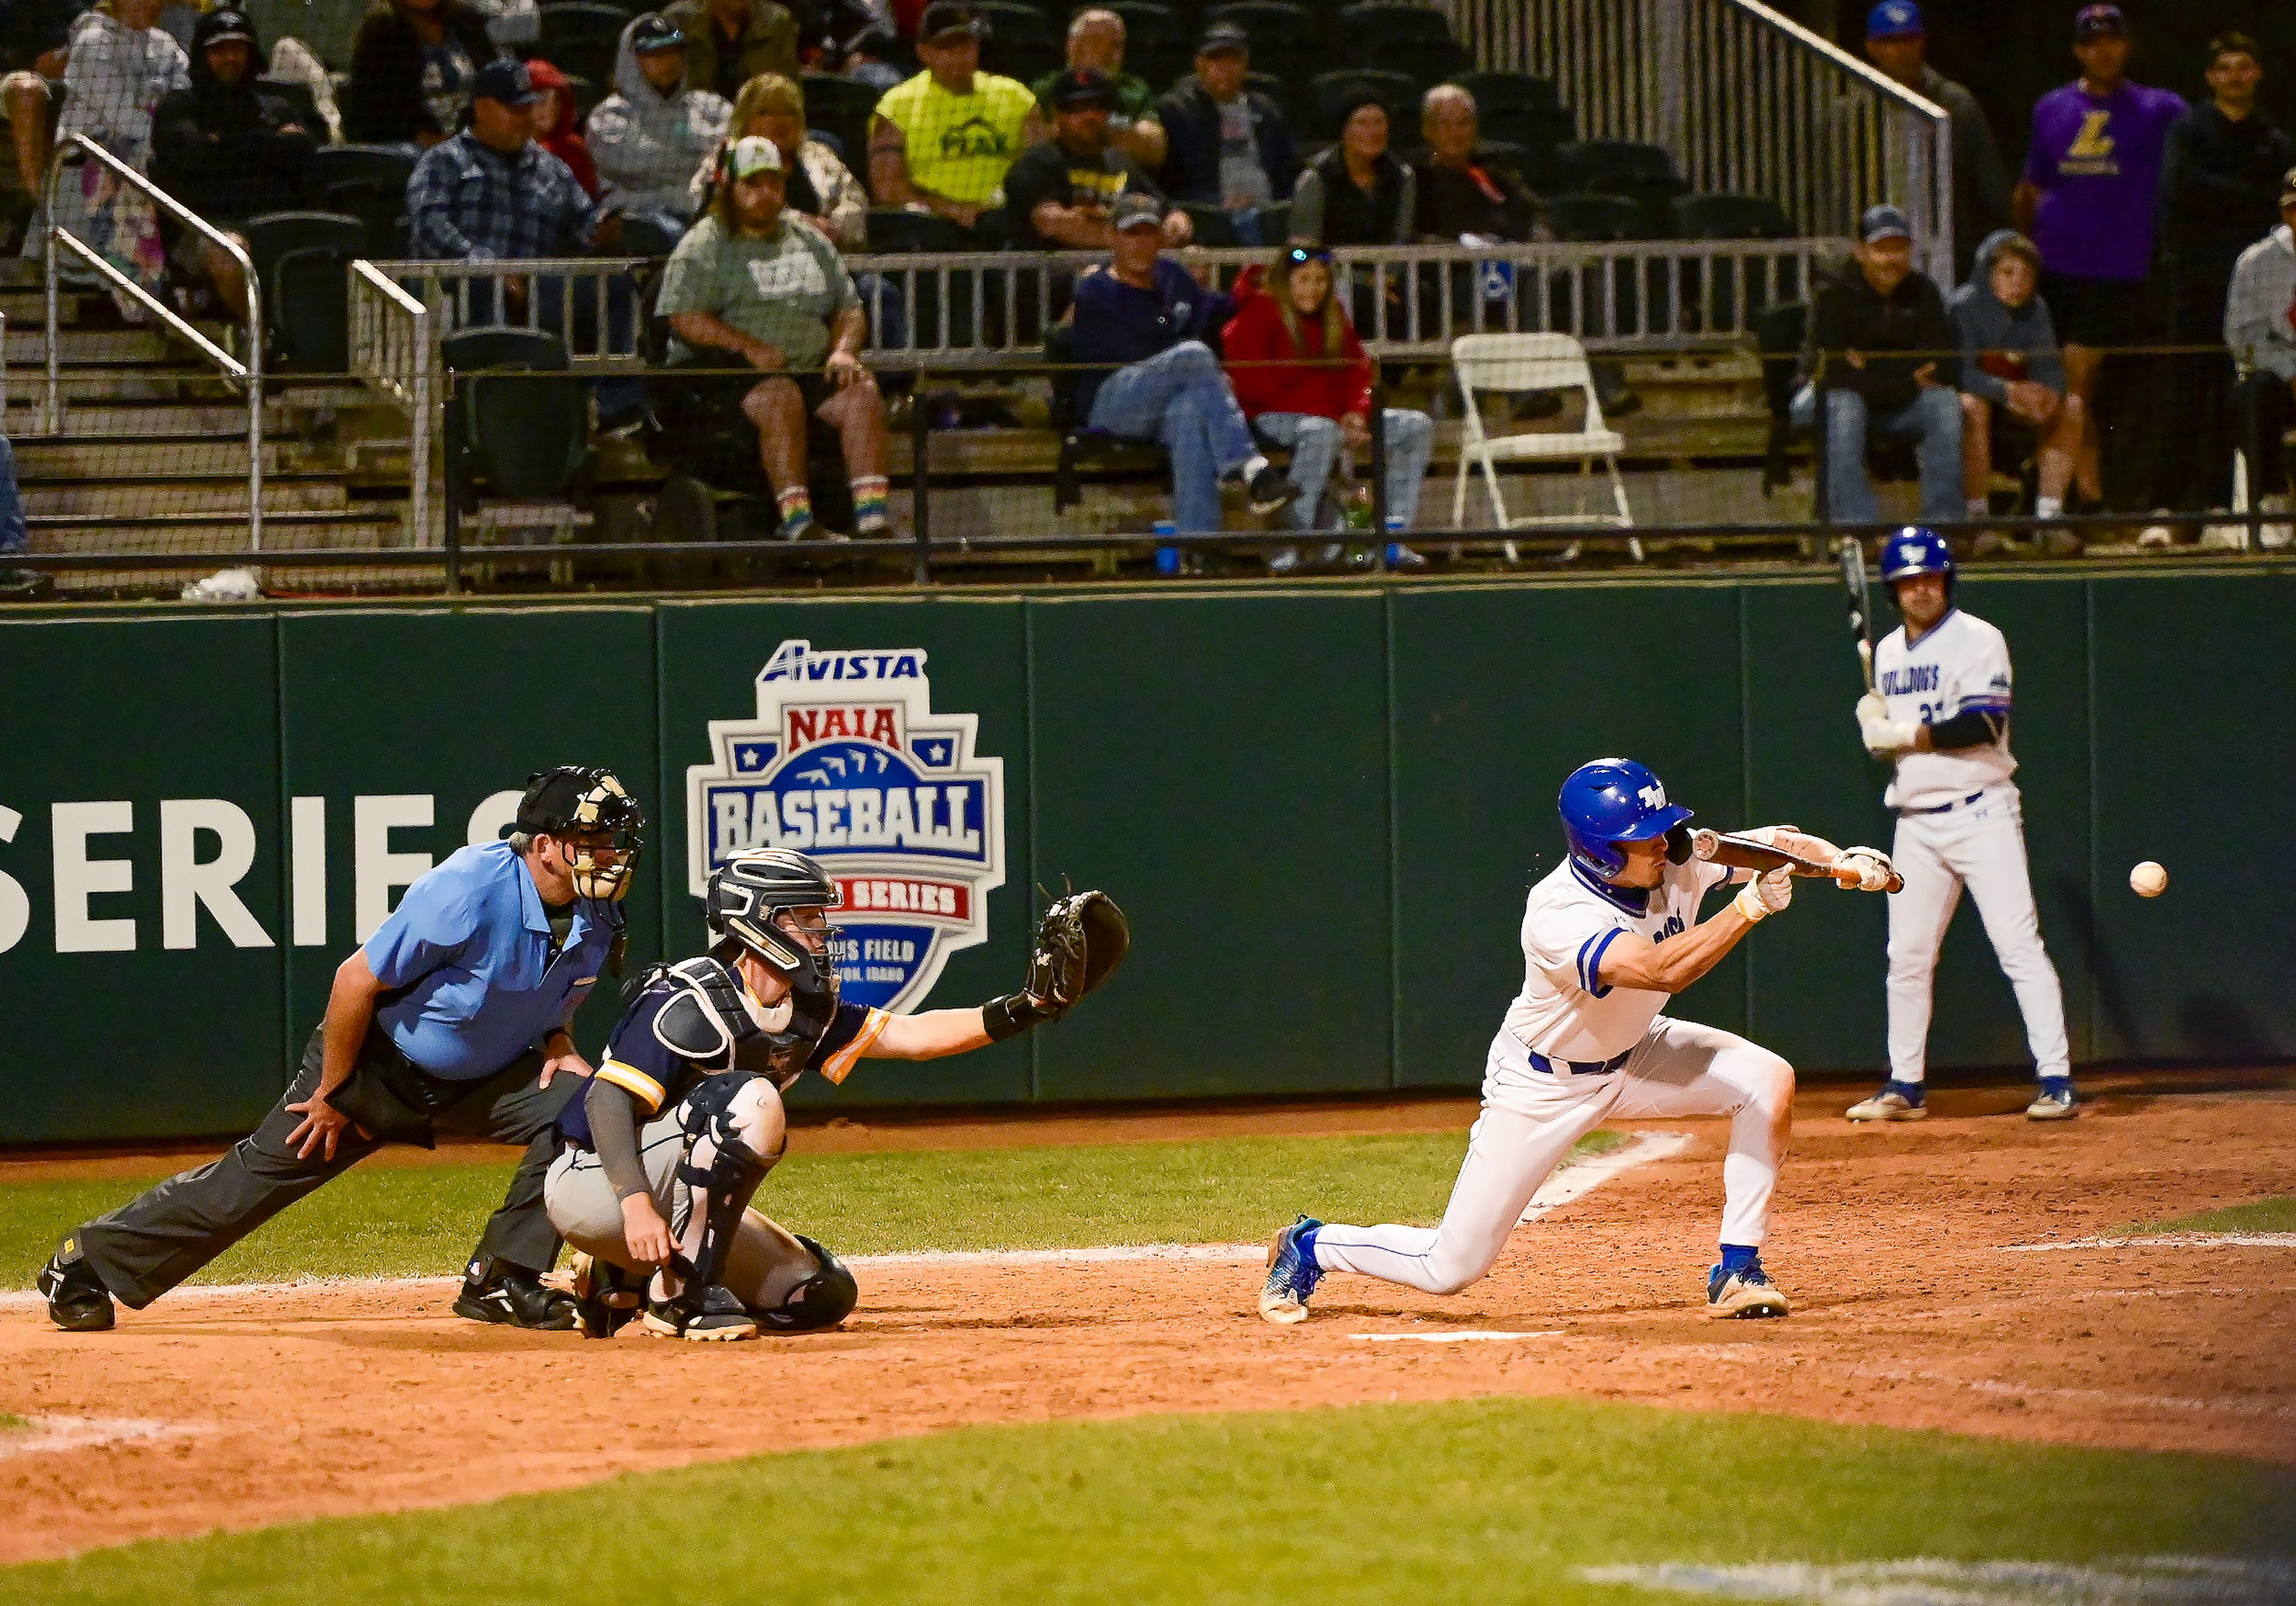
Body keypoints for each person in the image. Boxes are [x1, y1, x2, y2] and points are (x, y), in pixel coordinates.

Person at [1259, 758, 1897, 1326]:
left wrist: (1842, 860)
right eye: (1642, 840)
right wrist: (1747, 909)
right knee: (1450, 1268)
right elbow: (1659, 970)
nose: (1664, 845)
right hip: (1544, 1083)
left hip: (1638, 1053)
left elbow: (1776, 843)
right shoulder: (1559, 912)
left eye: (1664, 829)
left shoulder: (1677, 852)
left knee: (1767, 1079)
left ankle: (1738, 1268)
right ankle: (1310, 1244)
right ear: (1600, 852)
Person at [38, 768, 647, 1335]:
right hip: (377, 1066)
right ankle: (85, 1259)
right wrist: (334, 1092)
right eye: (593, 840)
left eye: (613, 841)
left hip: (488, 1077)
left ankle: (502, 1279)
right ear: (544, 845)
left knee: (592, 1108)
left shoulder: (598, 907)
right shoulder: (467, 888)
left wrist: (560, 1040)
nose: (610, 855)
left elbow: (561, 985)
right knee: (248, 1186)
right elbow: (355, 981)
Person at [547, 851, 1121, 1339]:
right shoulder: (690, 998)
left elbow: (912, 1036)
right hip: (597, 1186)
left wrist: (1027, 1007)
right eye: (804, 918)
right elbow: (605, 1101)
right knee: (750, 1101)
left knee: (820, 1296)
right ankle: (681, 1294)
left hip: (664, 1189)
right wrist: (634, 1205)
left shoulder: (805, 1009)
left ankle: (616, 1280)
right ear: (756, 924)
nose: (820, 931)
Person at [1849, 528, 2075, 1123]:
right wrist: (1876, 719)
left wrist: (1899, 733)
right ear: (1894, 587)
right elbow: (1899, 732)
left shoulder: (1979, 639)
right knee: (1907, 955)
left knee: (2018, 943)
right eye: (1909, 580)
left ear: (1946, 579)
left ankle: (2056, 1077)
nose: (1921, 589)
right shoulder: (1890, 653)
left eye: (1930, 577)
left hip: (1981, 810)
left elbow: (1982, 726)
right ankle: (1905, 1084)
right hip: (1916, 823)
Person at [657, 135, 890, 538]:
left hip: (810, 370)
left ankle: (873, 525)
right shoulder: (706, 242)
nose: (766, 194)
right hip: (727, 379)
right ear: (730, 187)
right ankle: (799, 526)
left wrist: (843, 352)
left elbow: (849, 309)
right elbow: (684, 316)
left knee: (861, 393)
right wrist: (746, 346)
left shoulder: (808, 238)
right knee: (781, 396)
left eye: (774, 184)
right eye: (753, 185)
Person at [2013, 4, 2187, 514]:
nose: (2102, 50)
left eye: (2111, 39)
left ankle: (2135, 497)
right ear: (2077, 50)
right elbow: (2031, 186)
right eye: (2091, 42)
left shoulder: (2163, 109)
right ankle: (2084, 497)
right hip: (2067, 269)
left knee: (2138, 395)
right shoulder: (2050, 107)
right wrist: (2025, 252)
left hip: (2137, 270)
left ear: (2128, 45)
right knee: (2072, 390)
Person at [1070, 191, 1297, 534]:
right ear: (1112, 237)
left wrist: (1254, 288)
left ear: (1161, 237)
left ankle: (1199, 547)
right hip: (1113, 403)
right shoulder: (1095, 291)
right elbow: (1130, 354)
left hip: (1169, 397)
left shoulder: (1173, 276)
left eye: (1150, 232)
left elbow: (1216, 310)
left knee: (1191, 413)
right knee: (1193, 355)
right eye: (1132, 233)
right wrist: (1202, 369)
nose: (1142, 242)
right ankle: (1250, 466)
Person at [1222, 244, 1431, 572]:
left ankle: (1391, 539)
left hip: (1332, 418)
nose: (1313, 288)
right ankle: (1288, 546)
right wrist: (1333, 415)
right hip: (1269, 417)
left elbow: (1358, 369)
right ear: (1286, 280)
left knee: (1415, 426)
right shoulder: (1259, 312)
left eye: (1320, 280)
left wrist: (1358, 413)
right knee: (1320, 431)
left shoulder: (1333, 312)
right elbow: (1253, 386)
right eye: (1304, 279)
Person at [2157, 33, 2291, 518]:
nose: (2235, 76)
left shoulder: (2274, 141)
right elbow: (2180, 191)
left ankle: (2248, 507)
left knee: (2248, 391)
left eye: (2244, 66)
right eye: (2225, 68)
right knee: (2189, 392)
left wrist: (2220, 196)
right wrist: (2246, 196)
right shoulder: (2188, 132)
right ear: (2211, 76)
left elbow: (2274, 208)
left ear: (2258, 73)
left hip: (2259, 288)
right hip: (2199, 284)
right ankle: (2176, 509)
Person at [1793, 203, 1962, 528]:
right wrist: (1908, 380)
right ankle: (1856, 530)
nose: (1891, 259)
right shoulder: (1833, 295)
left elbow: (1940, 363)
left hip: (1891, 399)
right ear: (1860, 252)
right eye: (1881, 250)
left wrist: (1866, 372)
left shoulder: (1924, 292)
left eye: (1899, 249)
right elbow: (1835, 372)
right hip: (1822, 399)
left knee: (1944, 403)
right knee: (1845, 403)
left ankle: (1946, 526)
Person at [149, 8, 316, 320]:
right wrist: (269, 143)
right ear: (202, 55)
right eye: (219, 50)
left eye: (238, 49)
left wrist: (223, 144)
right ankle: (267, 338)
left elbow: (305, 153)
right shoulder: (180, 107)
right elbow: (192, 157)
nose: (230, 58)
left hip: (277, 223)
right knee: (230, 253)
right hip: (205, 229)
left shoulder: (278, 105)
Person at [1860, 0, 2012, 281]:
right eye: (1890, 42)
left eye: (1909, 40)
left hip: (1946, 250)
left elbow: (1990, 183)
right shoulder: (1855, 110)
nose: (1901, 51)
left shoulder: (1955, 103)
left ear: (1923, 43)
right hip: (1875, 253)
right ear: (1871, 47)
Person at [1949, 231, 2080, 552]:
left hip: (2016, 406)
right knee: (1971, 407)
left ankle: (2048, 520)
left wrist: (2048, 395)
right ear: (1987, 274)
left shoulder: (2037, 310)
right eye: (2008, 273)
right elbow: (1958, 372)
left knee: (2072, 407)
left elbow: (2051, 369)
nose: (2017, 284)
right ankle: (1977, 522)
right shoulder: (1963, 306)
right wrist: (2006, 391)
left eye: (2026, 275)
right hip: (1978, 401)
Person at [868, 2, 1040, 235]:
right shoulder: (896, 106)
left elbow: (1043, 172)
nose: (958, 56)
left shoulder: (1017, 97)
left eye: (965, 45)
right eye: (946, 48)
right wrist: (951, 210)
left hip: (1005, 226)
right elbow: (888, 190)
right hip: (931, 231)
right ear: (923, 51)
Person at [996, 67, 1185, 251]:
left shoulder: (1119, 161)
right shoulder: (1038, 162)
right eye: (1076, 108)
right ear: (1057, 113)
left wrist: (1173, 226)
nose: (1089, 116)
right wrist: (1138, 243)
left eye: (1098, 106)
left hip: (1117, 272)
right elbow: (1054, 224)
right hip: (1056, 276)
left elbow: (1174, 215)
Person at [1151, 22, 1295, 245]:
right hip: (1208, 212)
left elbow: (1287, 168)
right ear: (1199, 64)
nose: (1226, 68)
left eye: (1235, 61)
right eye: (1217, 60)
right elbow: (1172, 178)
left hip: (1268, 210)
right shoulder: (1176, 109)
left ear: (1246, 65)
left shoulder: (1265, 109)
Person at [688, 70, 866, 248]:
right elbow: (715, 210)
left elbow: (854, 200)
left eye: (789, 112)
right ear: (745, 119)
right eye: (766, 112)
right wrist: (800, 224)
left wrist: (835, 228)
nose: (779, 121)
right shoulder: (727, 158)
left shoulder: (819, 155)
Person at [585, 13, 731, 230]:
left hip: (706, 217)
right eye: (656, 54)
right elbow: (636, 165)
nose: (670, 62)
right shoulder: (608, 116)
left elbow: (732, 155)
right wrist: (704, 159)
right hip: (638, 222)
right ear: (632, 60)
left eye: (675, 51)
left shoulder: (712, 107)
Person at [2223, 168, 2296, 546]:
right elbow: (2243, 337)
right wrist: (2291, 371)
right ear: (2286, 212)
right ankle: (2273, 501)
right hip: (2279, 381)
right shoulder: (2256, 262)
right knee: (2252, 395)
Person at [341, 0, 499, 148]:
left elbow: (496, 81)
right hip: (414, 156)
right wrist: (428, 141)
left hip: (479, 144)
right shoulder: (381, 33)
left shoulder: (467, 22)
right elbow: (370, 121)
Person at [4, 0, 93, 239]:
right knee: (27, 90)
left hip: (77, 83)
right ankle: (44, 210)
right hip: (17, 78)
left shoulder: (81, 8)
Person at [1032, 9, 1162, 172]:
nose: (1108, 53)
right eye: (1095, 42)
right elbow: (1034, 145)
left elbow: (1155, 148)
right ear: (1073, 47)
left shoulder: (1134, 90)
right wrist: (1118, 134)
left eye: (1116, 45)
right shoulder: (1050, 87)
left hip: (1120, 181)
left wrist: (1086, 133)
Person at [1410, 84, 1535, 243]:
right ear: (1427, 129)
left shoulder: (1493, 167)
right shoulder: (1414, 174)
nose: (1455, 133)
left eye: (1463, 123)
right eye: (1445, 124)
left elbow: (1532, 211)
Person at [1289, 93, 1415, 248]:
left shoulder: (1403, 176)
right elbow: (1303, 246)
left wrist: (1388, 272)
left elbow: (1403, 241)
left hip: (1388, 271)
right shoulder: (1316, 178)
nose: (1373, 131)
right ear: (1345, 130)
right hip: (1329, 269)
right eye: (1362, 123)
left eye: (1379, 122)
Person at [663, 0, 796, 105]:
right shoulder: (679, 21)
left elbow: (789, 92)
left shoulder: (776, 22)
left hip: (758, 127)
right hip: (692, 126)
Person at [525, 56, 598, 197]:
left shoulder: (573, 151)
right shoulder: (504, 147)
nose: (551, 108)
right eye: (541, 97)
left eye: (557, 99)